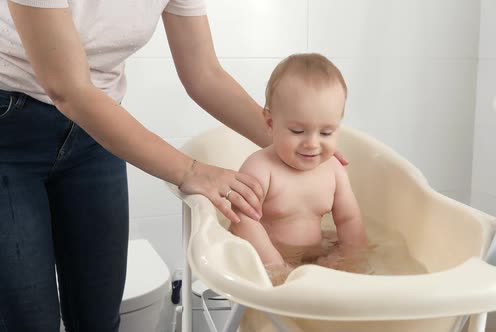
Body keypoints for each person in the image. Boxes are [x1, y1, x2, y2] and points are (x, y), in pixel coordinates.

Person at [0, 2, 347, 331]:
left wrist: (293, 143)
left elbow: (204, 74)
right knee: (30, 323)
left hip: (97, 129)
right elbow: (68, 89)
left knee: (99, 316)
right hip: (10, 130)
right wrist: (191, 171)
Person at [228, 53, 368, 285]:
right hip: (268, 259)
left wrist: (351, 257)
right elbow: (242, 220)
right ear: (270, 123)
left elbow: (348, 219)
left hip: (316, 255)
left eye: (326, 133)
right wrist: (276, 267)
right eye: (297, 131)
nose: (312, 143)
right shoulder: (261, 168)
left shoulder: (334, 171)